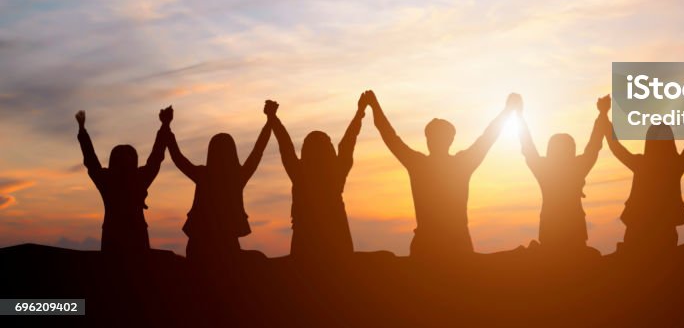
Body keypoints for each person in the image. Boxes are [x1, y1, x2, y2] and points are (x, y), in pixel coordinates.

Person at [366, 90, 519, 259]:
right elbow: (487, 138)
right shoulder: (460, 164)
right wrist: (507, 111)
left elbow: (389, 136)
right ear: (450, 140)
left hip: (431, 247)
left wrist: (374, 105)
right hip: (452, 247)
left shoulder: (419, 164)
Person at [163, 102, 273, 261]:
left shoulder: (203, 175)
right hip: (225, 245)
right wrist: (270, 121)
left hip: (199, 244)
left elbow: (178, 158)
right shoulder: (238, 176)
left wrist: (166, 127)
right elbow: (258, 151)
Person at [266, 94, 367, 264]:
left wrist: (273, 118)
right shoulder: (336, 172)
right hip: (337, 242)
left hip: (305, 243)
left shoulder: (299, 174)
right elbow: (348, 142)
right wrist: (359, 113)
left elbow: (286, 146)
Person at [604, 99, 684, 254]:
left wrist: (604, 116)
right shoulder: (676, 165)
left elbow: (615, 147)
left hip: (638, 228)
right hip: (663, 230)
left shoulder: (641, 163)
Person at [75, 107, 171, 254]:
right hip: (124, 236)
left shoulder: (110, 180)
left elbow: (91, 161)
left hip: (122, 236)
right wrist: (165, 125)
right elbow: (156, 158)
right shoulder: (134, 179)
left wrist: (82, 130)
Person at [516, 95, 606, 253]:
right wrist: (602, 115)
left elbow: (528, 147)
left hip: (550, 231)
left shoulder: (544, 169)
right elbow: (594, 147)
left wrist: (519, 116)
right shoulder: (577, 168)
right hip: (573, 231)